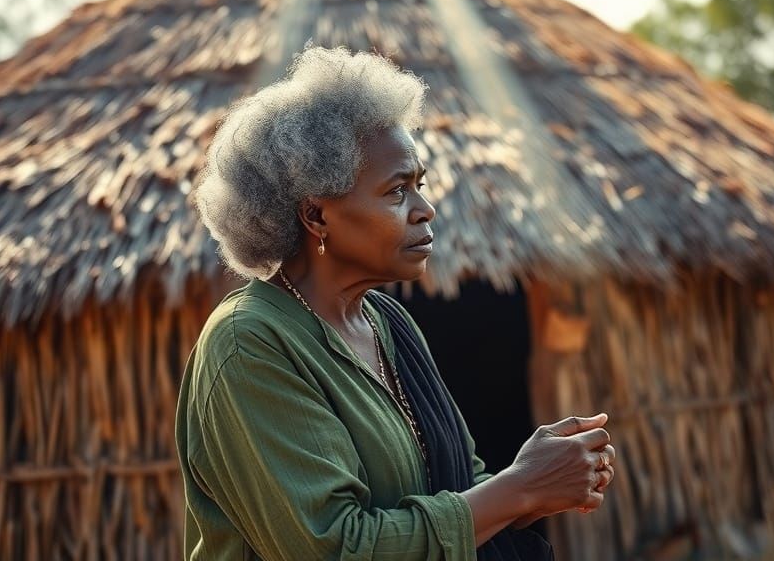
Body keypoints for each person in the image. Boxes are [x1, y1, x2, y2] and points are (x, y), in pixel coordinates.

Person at [174, 45, 616, 560]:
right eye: (396, 191)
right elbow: (337, 547)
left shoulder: (388, 323)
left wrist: (543, 479)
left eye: (420, 186)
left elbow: (458, 488)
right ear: (316, 216)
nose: (425, 210)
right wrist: (520, 487)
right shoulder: (250, 344)